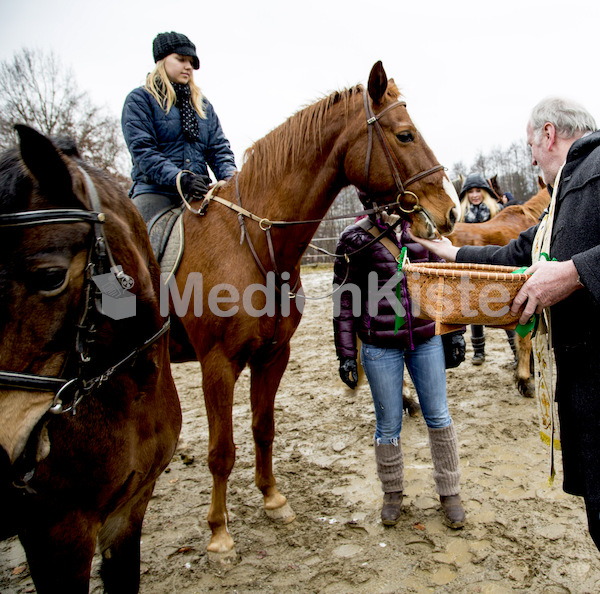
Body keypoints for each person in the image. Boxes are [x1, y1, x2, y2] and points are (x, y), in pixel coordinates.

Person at [411, 96, 600, 551]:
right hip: (583, 385)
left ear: (548, 134)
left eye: (531, 145)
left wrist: (574, 273)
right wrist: (452, 255)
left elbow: (568, 265)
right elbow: (515, 254)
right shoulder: (562, 198)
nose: (531, 156)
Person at [333, 210, 466, 529]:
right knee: (388, 422)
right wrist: (347, 353)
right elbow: (344, 298)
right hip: (379, 344)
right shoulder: (355, 238)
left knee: (438, 415)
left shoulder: (425, 229)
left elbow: (445, 279)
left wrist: (456, 332)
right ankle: (392, 492)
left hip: (425, 339)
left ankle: (450, 492)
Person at [121, 31, 236, 218]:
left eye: (191, 63)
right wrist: (180, 179)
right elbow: (143, 151)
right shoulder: (140, 100)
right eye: (181, 59)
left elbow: (219, 150)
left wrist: (232, 182)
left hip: (198, 194)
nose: (188, 67)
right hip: (155, 193)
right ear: (162, 61)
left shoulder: (202, 105)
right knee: (142, 241)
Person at [459, 173, 517, 365]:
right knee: (474, 306)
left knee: (503, 305)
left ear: (485, 192)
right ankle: (478, 351)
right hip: (471, 265)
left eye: (478, 191)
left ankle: (516, 350)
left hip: (495, 263)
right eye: (471, 191)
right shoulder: (460, 216)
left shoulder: (498, 211)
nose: (475, 195)